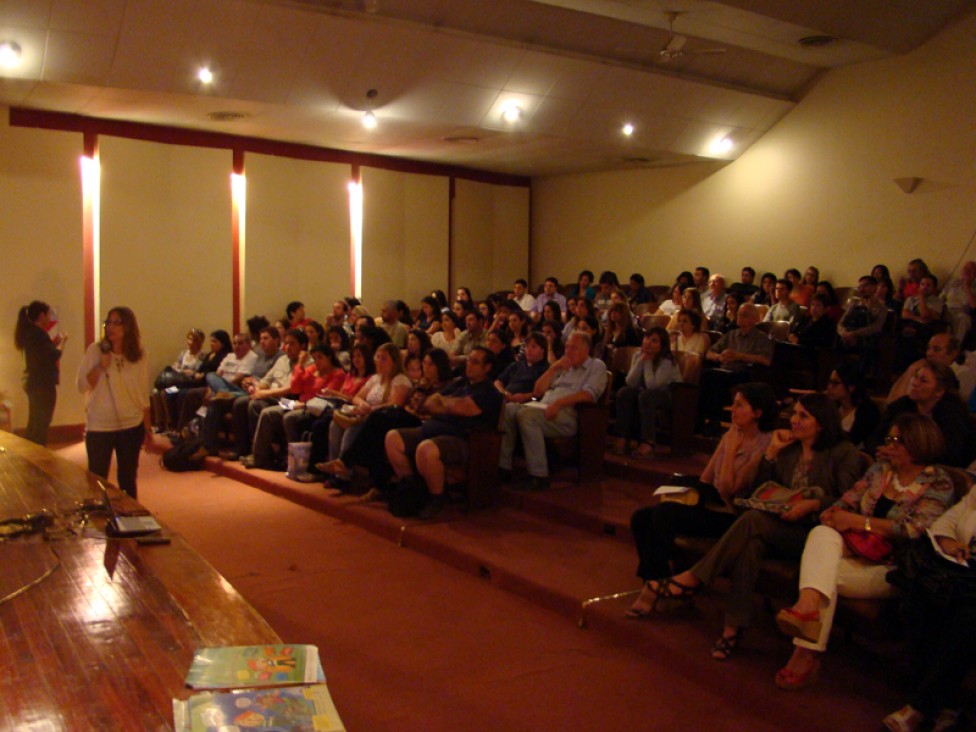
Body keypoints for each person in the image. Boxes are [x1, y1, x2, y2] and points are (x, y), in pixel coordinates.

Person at [627, 394, 862, 661]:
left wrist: (812, 504)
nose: (794, 421)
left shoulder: (843, 453)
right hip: (777, 525)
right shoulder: (790, 450)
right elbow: (759, 490)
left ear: (822, 423)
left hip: (815, 535)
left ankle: (691, 579)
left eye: (803, 416)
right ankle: (732, 628)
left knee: (751, 522)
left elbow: (848, 501)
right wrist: (771, 455)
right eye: (794, 414)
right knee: (750, 543)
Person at [774, 414, 954, 690]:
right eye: (889, 439)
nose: (889, 445)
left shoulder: (938, 482)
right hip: (854, 550)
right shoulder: (880, 471)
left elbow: (914, 529)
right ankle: (808, 613)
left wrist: (861, 522)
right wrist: (834, 513)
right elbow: (849, 499)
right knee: (821, 534)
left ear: (917, 444)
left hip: (893, 567)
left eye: (896, 440)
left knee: (822, 577)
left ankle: (805, 647)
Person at [628, 382, 776, 594]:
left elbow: (727, 489)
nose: (732, 410)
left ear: (758, 413)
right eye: (733, 404)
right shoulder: (732, 434)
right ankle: (656, 581)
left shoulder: (765, 445)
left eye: (740, 406)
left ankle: (658, 588)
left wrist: (732, 450)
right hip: (711, 505)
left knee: (664, 514)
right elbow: (706, 478)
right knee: (641, 518)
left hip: (732, 516)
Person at [882, 485, 976, 732]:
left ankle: (918, 708)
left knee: (967, 618)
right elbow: (946, 522)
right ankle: (944, 707)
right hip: (962, 575)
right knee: (918, 601)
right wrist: (951, 543)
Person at [386, 346, 503, 518]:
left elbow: (464, 408)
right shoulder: (460, 382)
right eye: (469, 360)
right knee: (393, 438)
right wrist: (448, 404)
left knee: (426, 449)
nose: (469, 365)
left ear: (487, 368)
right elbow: (430, 402)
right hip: (432, 428)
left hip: (463, 439)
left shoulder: (488, 392)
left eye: (475, 362)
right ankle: (413, 487)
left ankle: (437, 498)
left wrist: (444, 404)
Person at [497, 331, 608, 491]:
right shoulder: (563, 367)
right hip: (543, 407)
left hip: (569, 414)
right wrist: (554, 368)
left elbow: (589, 395)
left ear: (586, 350)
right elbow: (537, 391)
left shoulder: (596, 366)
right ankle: (504, 467)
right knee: (508, 410)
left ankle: (539, 475)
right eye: (567, 347)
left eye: (573, 348)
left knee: (526, 416)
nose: (568, 351)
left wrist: (559, 403)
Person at [76, 307, 151, 498]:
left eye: (117, 322)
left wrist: (147, 427)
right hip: (100, 426)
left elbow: (143, 393)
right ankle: (99, 521)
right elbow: (82, 385)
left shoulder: (138, 355)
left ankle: (130, 521)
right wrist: (101, 366)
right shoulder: (95, 350)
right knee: (97, 481)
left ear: (128, 326)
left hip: (131, 424)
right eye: (108, 322)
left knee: (127, 480)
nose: (111, 327)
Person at [318, 342, 412, 484]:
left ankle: (344, 472)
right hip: (366, 414)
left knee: (352, 430)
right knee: (334, 425)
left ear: (394, 361)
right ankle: (335, 469)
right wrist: (363, 405)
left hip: (382, 420)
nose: (379, 361)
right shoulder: (375, 379)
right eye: (378, 357)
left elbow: (395, 405)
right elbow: (357, 397)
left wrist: (370, 410)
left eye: (384, 358)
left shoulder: (400, 380)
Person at [866, 360, 976, 468]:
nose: (914, 383)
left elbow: (950, 454)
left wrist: (905, 456)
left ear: (939, 391)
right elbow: (875, 437)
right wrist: (881, 450)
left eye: (923, 381)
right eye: (915, 377)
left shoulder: (954, 414)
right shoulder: (900, 406)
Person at [698, 303, 774, 433]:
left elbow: (766, 360)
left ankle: (713, 421)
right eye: (739, 313)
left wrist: (739, 356)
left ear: (755, 319)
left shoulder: (761, 338)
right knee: (707, 375)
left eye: (744, 315)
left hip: (744, 373)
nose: (739, 316)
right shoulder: (731, 335)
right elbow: (709, 353)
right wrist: (719, 357)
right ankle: (702, 422)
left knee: (715, 378)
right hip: (724, 370)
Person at [612, 327, 682, 458]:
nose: (648, 342)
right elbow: (631, 382)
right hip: (645, 392)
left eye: (654, 341)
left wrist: (648, 361)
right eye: (647, 338)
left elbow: (652, 385)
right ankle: (622, 436)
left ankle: (648, 442)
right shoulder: (639, 355)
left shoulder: (667, 361)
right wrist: (641, 361)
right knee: (624, 392)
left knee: (646, 396)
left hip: (668, 395)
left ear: (662, 346)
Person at [14, 300, 67, 445]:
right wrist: (63, 342)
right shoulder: (38, 334)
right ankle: (39, 454)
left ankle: (31, 453)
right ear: (42, 315)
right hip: (42, 384)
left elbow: (43, 353)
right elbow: (54, 355)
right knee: (42, 422)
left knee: (35, 420)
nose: (50, 318)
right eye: (48, 314)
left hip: (33, 382)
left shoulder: (31, 333)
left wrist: (55, 343)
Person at [887, 333, 976, 404]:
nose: (929, 353)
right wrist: (910, 370)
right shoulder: (922, 370)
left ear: (953, 353)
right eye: (928, 348)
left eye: (936, 349)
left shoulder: (961, 373)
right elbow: (892, 403)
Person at [826, 365, 880, 448]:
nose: (830, 387)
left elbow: (855, 441)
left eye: (835, 383)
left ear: (851, 387)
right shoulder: (832, 407)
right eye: (830, 382)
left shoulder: (867, 412)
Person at [940, 260, 976, 343]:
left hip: (961, 314)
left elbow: (974, 306)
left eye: (970, 269)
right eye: (965, 268)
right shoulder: (952, 283)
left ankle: (955, 347)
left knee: (964, 319)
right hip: (946, 311)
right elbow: (941, 298)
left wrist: (966, 285)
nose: (966, 270)